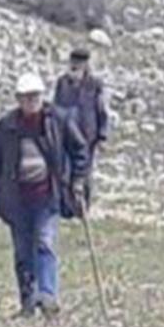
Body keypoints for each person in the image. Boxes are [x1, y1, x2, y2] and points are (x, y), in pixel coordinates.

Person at [0, 73, 89, 318]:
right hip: (17, 199)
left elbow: (79, 150)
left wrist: (78, 180)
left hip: (47, 194)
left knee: (44, 242)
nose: (31, 102)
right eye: (25, 98)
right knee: (22, 251)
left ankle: (48, 295)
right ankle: (28, 302)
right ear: (18, 100)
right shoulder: (5, 128)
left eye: (35, 97)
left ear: (42, 97)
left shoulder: (58, 121)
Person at [52, 48, 111, 208]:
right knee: (64, 170)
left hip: (87, 136)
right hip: (65, 133)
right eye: (73, 62)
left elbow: (101, 109)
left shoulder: (94, 84)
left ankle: (83, 205)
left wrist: (102, 135)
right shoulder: (62, 82)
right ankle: (66, 205)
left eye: (79, 63)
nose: (75, 66)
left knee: (84, 171)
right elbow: (55, 107)